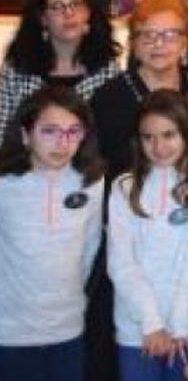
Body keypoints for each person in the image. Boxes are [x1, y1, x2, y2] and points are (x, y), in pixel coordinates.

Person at [107, 91, 188, 381]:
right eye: (148, 137)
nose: (159, 146)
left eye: (169, 135)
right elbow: (121, 262)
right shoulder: (123, 186)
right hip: (137, 329)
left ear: (187, 135)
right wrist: (152, 324)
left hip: (186, 330)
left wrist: (180, 325)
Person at [0, 87, 105, 381]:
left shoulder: (91, 181)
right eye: (50, 131)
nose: (63, 142)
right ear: (25, 134)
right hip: (10, 334)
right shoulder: (5, 184)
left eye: (74, 131)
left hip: (68, 329)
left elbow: (89, 250)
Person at [90, 0, 188, 179]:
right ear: (133, 43)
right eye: (147, 35)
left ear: (185, 42)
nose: (158, 44)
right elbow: (105, 164)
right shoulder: (109, 97)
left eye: (170, 35)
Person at [0, 0, 120, 143]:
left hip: (90, 165)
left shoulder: (107, 69)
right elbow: (2, 131)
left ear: (88, 13)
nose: (68, 13)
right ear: (43, 18)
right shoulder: (17, 69)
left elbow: (112, 132)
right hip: (26, 164)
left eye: (76, 4)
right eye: (57, 7)